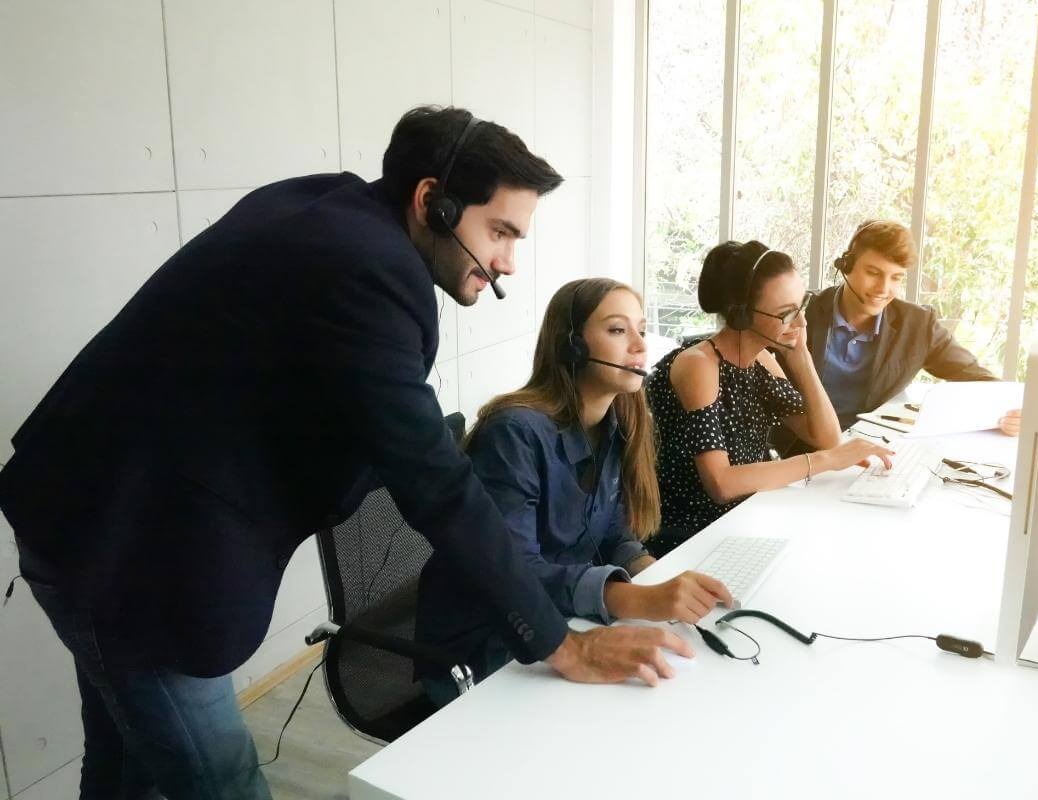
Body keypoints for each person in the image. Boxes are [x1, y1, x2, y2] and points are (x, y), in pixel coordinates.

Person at [0, 106, 689, 799]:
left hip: (88, 510)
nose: (508, 260)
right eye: (500, 232)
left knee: (125, 764)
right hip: (127, 551)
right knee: (221, 780)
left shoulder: (329, 210)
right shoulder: (369, 271)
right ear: (433, 202)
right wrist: (561, 643)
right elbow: (434, 483)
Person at [417, 278, 732, 705]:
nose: (640, 345)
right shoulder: (514, 433)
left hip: (564, 625)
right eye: (618, 330)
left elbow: (615, 536)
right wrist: (633, 597)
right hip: (489, 648)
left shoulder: (619, 423)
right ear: (572, 345)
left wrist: (657, 580)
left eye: (641, 329)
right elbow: (513, 571)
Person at [645, 241, 894, 556]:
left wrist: (800, 356)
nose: (801, 322)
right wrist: (824, 461)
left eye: (801, 306)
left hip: (747, 520)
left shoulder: (761, 359)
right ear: (740, 316)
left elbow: (827, 438)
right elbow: (721, 484)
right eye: (786, 314)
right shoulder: (699, 365)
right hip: (694, 536)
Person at [805, 220, 1020, 437]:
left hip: (873, 449)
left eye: (896, 277)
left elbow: (982, 382)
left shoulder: (918, 325)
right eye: (873, 273)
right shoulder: (804, 311)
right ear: (847, 265)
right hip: (801, 448)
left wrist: (1012, 415)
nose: (884, 288)